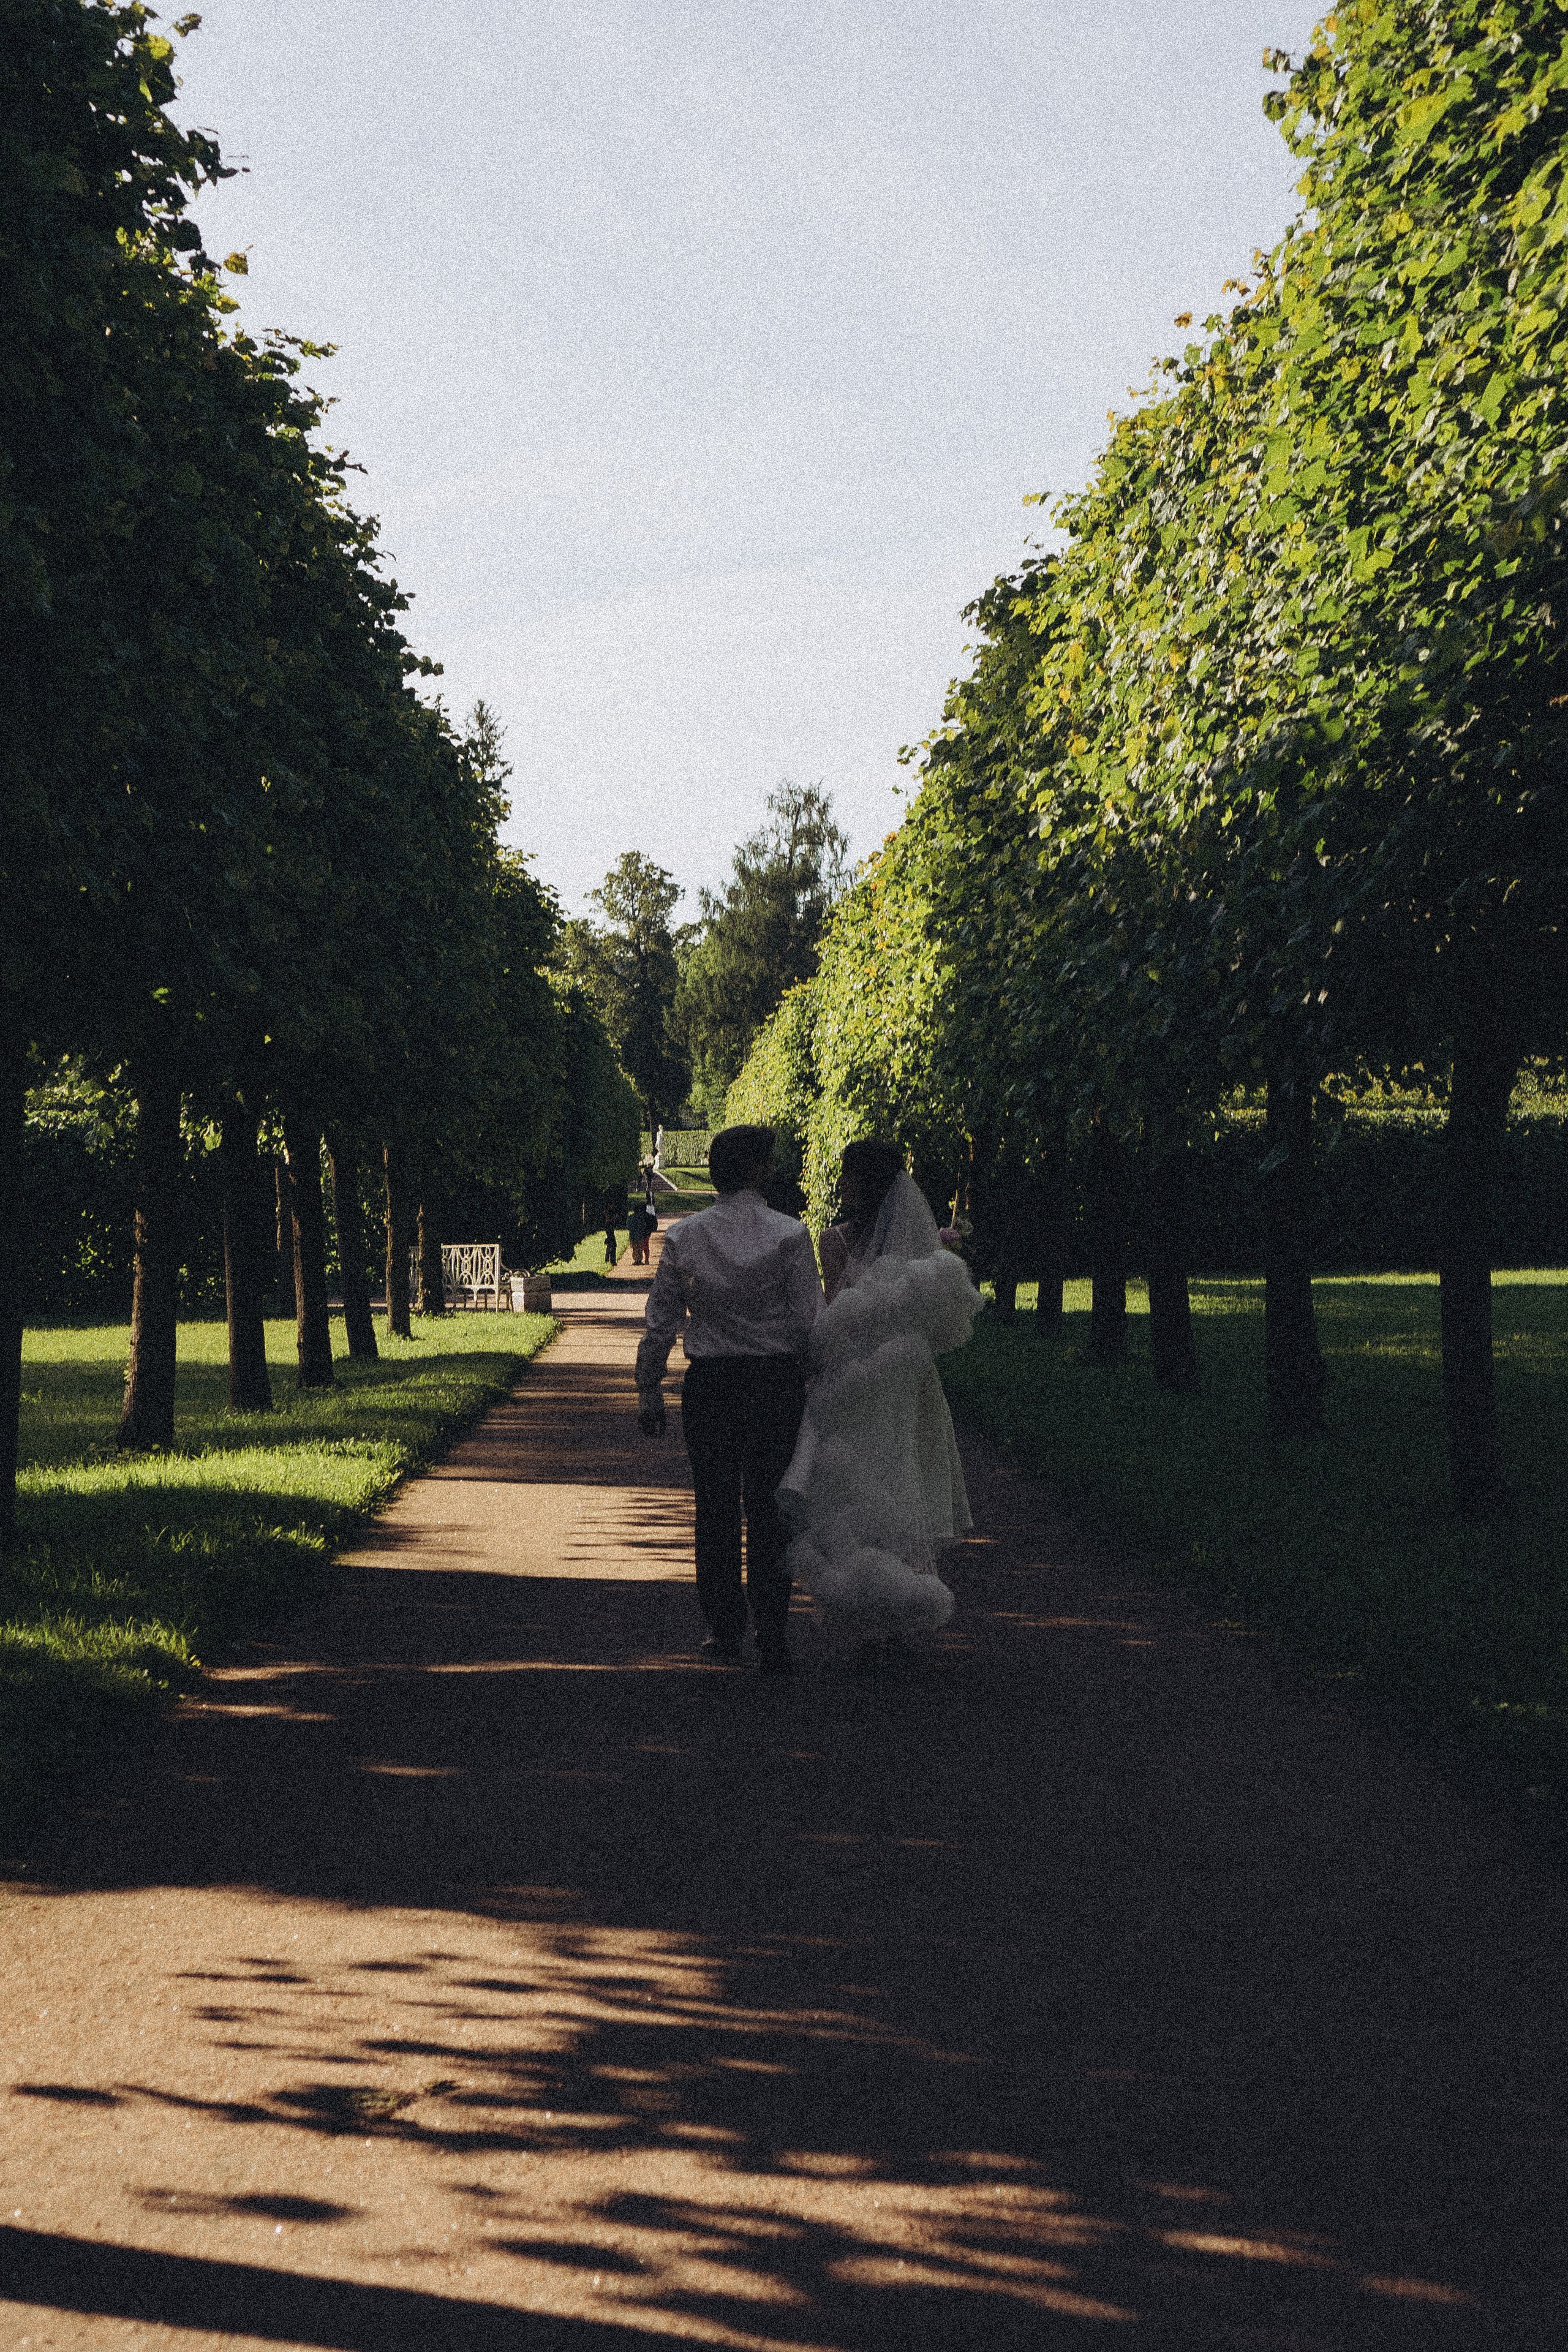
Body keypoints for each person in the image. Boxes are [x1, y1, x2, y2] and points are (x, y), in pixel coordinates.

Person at [778, 1139, 979, 1667]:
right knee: (854, 1486)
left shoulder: (904, 1245)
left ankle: (897, 1607)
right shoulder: (835, 1242)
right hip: (852, 1381)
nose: (842, 1184)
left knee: (898, 1481)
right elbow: (830, 1313)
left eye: (849, 1175)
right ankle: (868, 1604)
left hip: (897, 1384)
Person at [636, 1122, 823, 1675]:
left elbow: (661, 1320)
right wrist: (815, 1380)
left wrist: (649, 1387)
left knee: (714, 1508)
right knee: (770, 1511)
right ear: (758, 1171)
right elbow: (811, 1324)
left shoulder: (686, 1237)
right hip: (773, 1385)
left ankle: (723, 1627)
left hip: (712, 1386)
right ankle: (772, 1631)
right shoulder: (791, 1235)